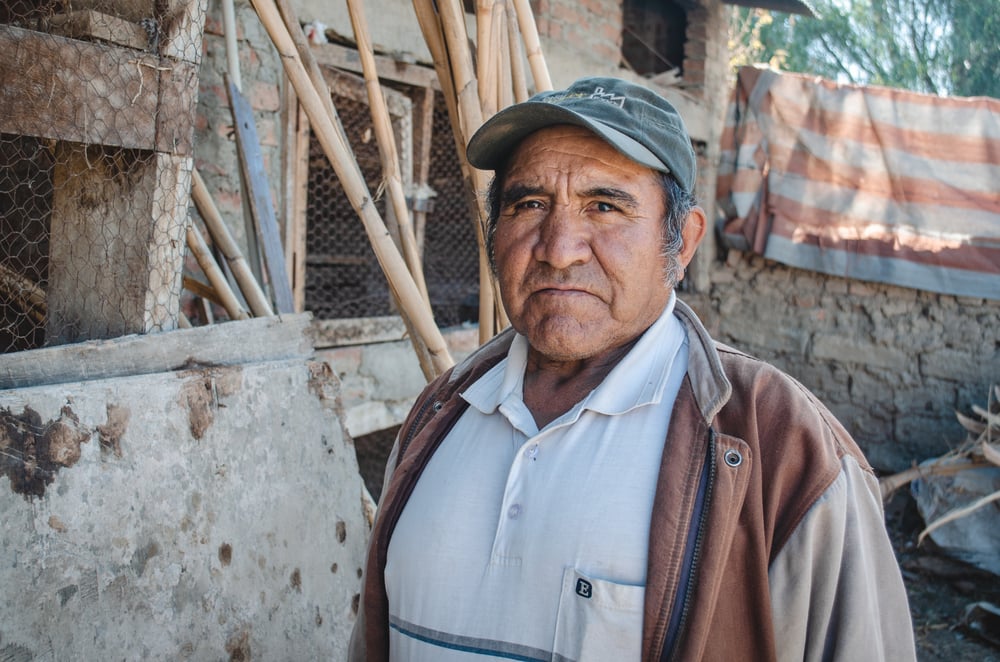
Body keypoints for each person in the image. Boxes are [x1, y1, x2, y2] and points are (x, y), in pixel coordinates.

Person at [349, 76, 916, 661]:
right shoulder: (441, 414)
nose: (559, 246)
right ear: (495, 235)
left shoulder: (781, 446)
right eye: (529, 204)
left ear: (683, 243)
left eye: (604, 206)